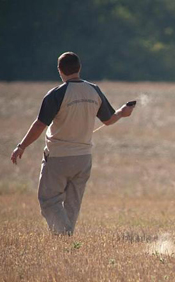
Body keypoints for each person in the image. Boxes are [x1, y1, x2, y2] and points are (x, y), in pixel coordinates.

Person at [10, 51, 135, 235]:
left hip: (58, 157)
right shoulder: (94, 90)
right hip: (83, 159)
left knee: (49, 201)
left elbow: (39, 124)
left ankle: (64, 236)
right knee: (72, 205)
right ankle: (67, 240)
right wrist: (123, 112)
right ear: (79, 68)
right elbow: (108, 120)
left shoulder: (57, 94)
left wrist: (21, 146)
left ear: (60, 70)